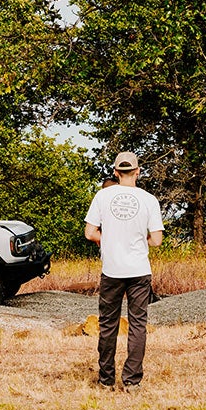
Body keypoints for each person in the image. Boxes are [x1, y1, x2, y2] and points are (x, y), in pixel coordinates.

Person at [84, 152, 163, 392]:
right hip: (139, 270)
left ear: (116, 172)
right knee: (138, 324)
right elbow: (157, 240)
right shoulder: (149, 200)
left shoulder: (102, 195)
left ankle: (106, 379)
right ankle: (132, 380)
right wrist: (139, 241)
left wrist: (107, 240)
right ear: (138, 171)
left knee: (108, 325)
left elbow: (89, 233)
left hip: (112, 270)